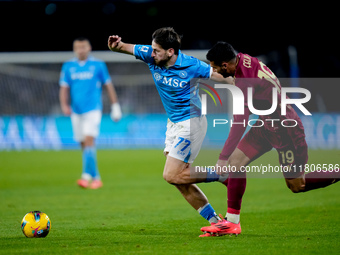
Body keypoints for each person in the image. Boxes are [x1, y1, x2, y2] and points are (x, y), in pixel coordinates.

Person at [199, 41, 340, 236]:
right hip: (266, 124)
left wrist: (223, 155)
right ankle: (232, 223)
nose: (213, 70)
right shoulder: (243, 61)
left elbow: (240, 121)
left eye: (214, 66)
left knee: (296, 185)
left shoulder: (245, 81)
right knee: (235, 164)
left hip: (285, 129)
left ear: (225, 65)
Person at [108, 28, 232, 230]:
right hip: (173, 123)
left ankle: (224, 175)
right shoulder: (151, 55)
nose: (152, 53)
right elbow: (122, 47)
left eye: (157, 50)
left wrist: (248, 84)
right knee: (179, 179)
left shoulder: (191, 65)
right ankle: (217, 223)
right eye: (152, 48)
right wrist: (115, 46)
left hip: (192, 122)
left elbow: (222, 77)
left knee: (171, 175)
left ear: (171, 51)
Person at [59, 37, 122, 189]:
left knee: (89, 140)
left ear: (89, 48)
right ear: (74, 49)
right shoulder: (68, 66)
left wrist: (115, 106)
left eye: (83, 47)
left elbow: (108, 85)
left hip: (93, 109)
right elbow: (64, 88)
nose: (81, 50)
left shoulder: (98, 65)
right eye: (78, 48)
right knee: (83, 144)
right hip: (76, 111)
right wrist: (64, 105)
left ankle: (85, 176)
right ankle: (96, 178)